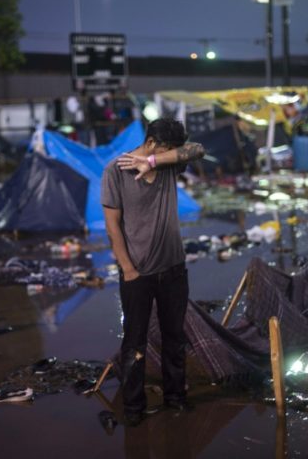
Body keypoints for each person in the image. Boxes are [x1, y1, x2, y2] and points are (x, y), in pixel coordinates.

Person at [101, 118, 205, 426]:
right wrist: (128, 269)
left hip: (173, 269)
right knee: (134, 343)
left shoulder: (167, 165)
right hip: (138, 274)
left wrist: (154, 160)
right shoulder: (114, 172)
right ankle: (134, 408)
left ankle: (176, 398)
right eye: (165, 148)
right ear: (149, 142)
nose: (173, 154)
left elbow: (197, 150)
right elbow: (112, 227)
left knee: (174, 338)